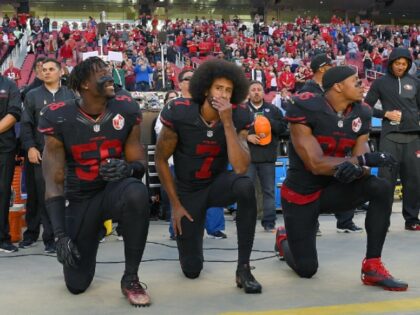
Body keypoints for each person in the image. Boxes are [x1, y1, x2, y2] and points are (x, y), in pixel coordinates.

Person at [275, 66, 408, 291]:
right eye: (355, 81)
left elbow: (361, 160)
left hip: (333, 191)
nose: (362, 85)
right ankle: (283, 239)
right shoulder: (306, 106)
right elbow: (315, 164)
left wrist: (359, 168)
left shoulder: (362, 112)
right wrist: (357, 162)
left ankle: (372, 265)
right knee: (306, 269)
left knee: (381, 187)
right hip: (302, 194)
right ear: (337, 86)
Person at [39, 57, 151, 306]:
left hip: (114, 191)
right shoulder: (59, 117)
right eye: (101, 72)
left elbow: (138, 163)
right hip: (81, 199)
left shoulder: (126, 108)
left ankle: (131, 278)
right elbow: (54, 180)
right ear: (85, 85)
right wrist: (59, 235)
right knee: (76, 285)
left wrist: (128, 168)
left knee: (137, 193)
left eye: (108, 70)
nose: (109, 76)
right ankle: (90, 233)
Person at [155, 59, 261, 293]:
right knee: (191, 270)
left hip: (217, 183)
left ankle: (243, 268)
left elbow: (241, 167)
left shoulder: (239, 115)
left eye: (228, 90)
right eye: (218, 88)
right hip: (189, 191)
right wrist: (175, 205)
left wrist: (227, 123)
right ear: (205, 89)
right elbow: (160, 159)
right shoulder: (180, 111)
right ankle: (192, 249)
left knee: (244, 185)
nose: (223, 94)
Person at [300, 53, 363, 234]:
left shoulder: (334, 88)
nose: (333, 67)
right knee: (314, 185)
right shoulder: (307, 90)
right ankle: (312, 224)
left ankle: (345, 221)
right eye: (329, 65)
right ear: (321, 68)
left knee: (345, 178)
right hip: (318, 145)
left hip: (338, 140)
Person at [20, 58, 75, 253]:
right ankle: (50, 238)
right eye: (44, 69)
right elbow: (26, 125)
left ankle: (67, 236)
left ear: (61, 72)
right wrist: (30, 148)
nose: (47, 72)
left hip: (68, 156)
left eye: (52, 69)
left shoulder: (71, 95)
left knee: (67, 195)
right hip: (42, 156)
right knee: (45, 197)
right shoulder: (32, 96)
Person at [365, 47, 420, 231]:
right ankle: (382, 221)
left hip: (413, 137)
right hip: (389, 137)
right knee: (386, 181)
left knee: (414, 180)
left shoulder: (415, 82)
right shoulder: (380, 83)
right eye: (397, 63)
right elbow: (365, 107)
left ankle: (412, 219)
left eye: (404, 64)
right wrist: (385, 113)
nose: (401, 67)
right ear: (391, 63)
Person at [246, 81, 287, 231]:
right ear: (248, 93)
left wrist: (267, 122)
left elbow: (283, 128)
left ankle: (269, 222)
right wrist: (247, 137)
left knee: (268, 190)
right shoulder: (242, 110)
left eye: (259, 89)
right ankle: (246, 222)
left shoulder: (273, 110)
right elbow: (233, 130)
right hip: (247, 157)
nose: (256, 92)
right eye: (253, 90)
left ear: (263, 93)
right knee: (246, 191)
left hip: (267, 157)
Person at [0, 72, 21, 253]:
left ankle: (2, 238)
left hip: (4, 147)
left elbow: (14, 113)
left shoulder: (10, 85)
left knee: (3, 191)